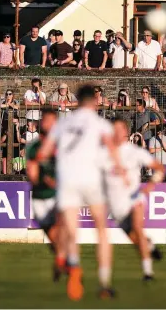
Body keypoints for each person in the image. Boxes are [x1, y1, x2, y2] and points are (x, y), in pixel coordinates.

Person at [37, 85, 126, 300]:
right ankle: (104, 283)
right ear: (94, 101)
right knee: (102, 230)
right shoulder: (99, 123)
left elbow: (44, 152)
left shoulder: (64, 123)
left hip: (68, 180)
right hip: (91, 179)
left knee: (71, 229)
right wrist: (120, 171)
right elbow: (111, 148)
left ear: (76, 100)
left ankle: (75, 268)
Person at [104, 119, 165, 281]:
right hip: (117, 205)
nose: (117, 133)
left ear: (125, 131)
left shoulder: (134, 152)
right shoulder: (105, 152)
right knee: (135, 239)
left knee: (138, 229)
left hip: (134, 199)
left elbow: (160, 168)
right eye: (113, 129)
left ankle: (148, 273)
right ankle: (149, 245)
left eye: (119, 129)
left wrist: (149, 186)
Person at [26, 109, 67, 281]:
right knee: (53, 237)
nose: (49, 124)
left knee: (61, 229)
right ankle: (61, 258)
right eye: (46, 120)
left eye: (52, 121)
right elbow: (32, 175)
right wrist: (46, 180)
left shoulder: (63, 145)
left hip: (58, 196)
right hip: (40, 197)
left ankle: (65, 265)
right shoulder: (34, 147)